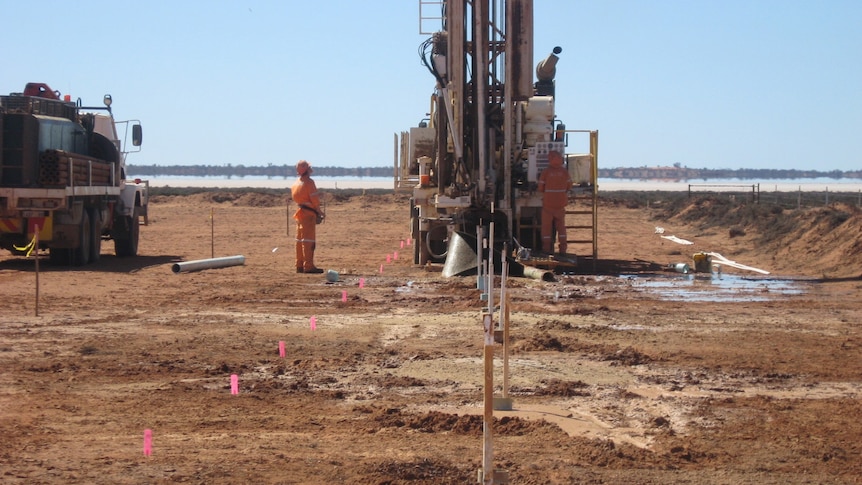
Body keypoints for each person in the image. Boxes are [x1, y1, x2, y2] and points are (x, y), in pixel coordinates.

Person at [290, 160, 324, 273]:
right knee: (308, 241)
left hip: (300, 214)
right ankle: (308, 266)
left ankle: (299, 265)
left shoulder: (296, 183)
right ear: (306, 169)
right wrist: (320, 211)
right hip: (308, 215)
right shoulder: (309, 183)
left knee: (299, 240)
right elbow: (314, 200)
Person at [538, 150, 572, 254]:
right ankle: (563, 249)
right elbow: (569, 185)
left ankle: (546, 249)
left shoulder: (546, 172)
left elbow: (540, 187)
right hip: (560, 204)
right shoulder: (564, 172)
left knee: (546, 227)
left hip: (548, 204)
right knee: (561, 227)